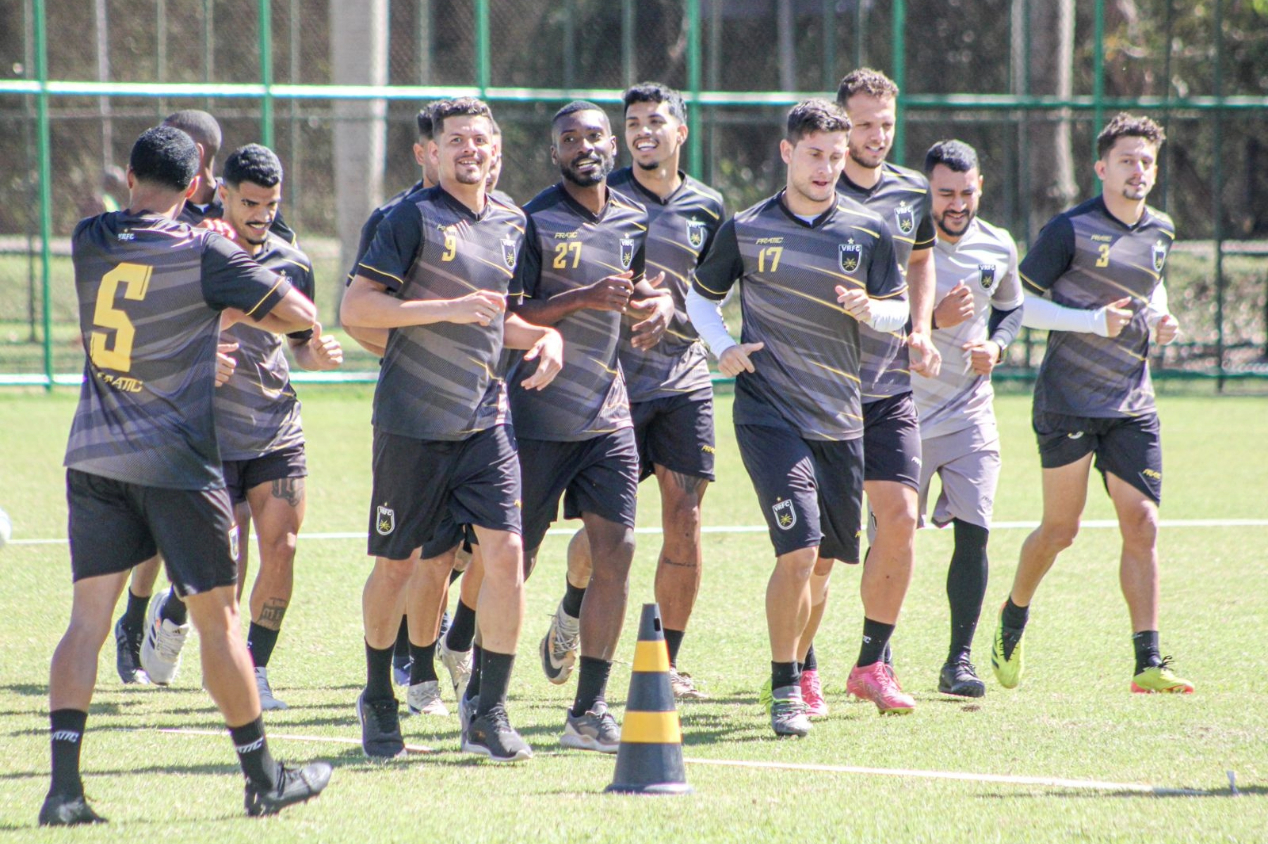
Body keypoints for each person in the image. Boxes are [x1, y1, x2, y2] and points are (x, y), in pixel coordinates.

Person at [43, 125, 330, 825]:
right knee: (218, 623)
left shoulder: (91, 237)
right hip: (177, 462)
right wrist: (226, 307)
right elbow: (300, 312)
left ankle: (63, 791)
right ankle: (264, 777)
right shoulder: (206, 250)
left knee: (85, 622)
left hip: (96, 455)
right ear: (201, 184)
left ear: (130, 175)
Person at [341, 97, 564, 762]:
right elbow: (357, 308)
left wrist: (544, 338)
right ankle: (380, 695)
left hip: (485, 421)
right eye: (458, 140)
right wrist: (446, 311)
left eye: (482, 141)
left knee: (505, 560)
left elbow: (498, 320)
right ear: (431, 153)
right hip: (411, 426)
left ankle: (487, 712)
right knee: (396, 566)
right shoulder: (407, 217)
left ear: (497, 150)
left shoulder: (512, 222)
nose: (472, 150)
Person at [686, 99, 907, 737]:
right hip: (768, 410)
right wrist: (721, 347)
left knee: (826, 562)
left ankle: (801, 669)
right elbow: (701, 298)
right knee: (800, 545)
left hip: (841, 417)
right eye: (815, 154)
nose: (827, 168)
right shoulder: (747, 227)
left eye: (837, 157)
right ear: (788, 153)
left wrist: (873, 311)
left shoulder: (868, 231)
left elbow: (899, 312)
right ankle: (786, 684)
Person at [537, 82, 725, 701]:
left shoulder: (708, 207)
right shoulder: (601, 196)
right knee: (602, 536)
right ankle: (571, 606)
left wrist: (681, 309)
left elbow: (713, 297)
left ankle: (665, 661)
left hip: (684, 380)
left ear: (681, 132)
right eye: (634, 121)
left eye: (656, 120)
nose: (645, 130)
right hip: (611, 387)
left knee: (685, 518)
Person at [992, 113, 1190, 695]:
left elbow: (1150, 281)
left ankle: (1147, 662)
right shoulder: (1068, 230)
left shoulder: (1161, 229)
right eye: (1127, 160)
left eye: (1146, 161)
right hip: (1069, 402)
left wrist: (1161, 315)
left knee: (1143, 523)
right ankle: (1011, 618)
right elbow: (1017, 307)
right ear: (1102, 167)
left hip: (1132, 400)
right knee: (1061, 529)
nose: (1138, 170)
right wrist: (1089, 322)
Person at [140, 144, 343, 709]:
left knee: (284, 547)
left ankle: (254, 666)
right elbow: (155, 327)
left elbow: (301, 342)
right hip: (206, 431)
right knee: (220, 559)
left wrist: (317, 355)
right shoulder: (188, 247)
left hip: (275, 425)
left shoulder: (290, 258)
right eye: (249, 202)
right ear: (221, 192)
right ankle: (174, 610)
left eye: (271, 204)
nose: (260, 214)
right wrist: (201, 354)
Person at [507, 100, 673, 753]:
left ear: (614, 143)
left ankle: (588, 711)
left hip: (607, 412)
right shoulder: (532, 219)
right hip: (537, 413)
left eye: (594, 135)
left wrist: (654, 306)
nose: (584, 146)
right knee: (511, 560)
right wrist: (580, 298)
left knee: (620, 549)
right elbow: (512, 312)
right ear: (555, 152)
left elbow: (636, 289)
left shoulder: (635, 216)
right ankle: (476, 680)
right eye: (570, 138)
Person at [112, 108, 294, 684]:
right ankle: (137, 618)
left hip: (240, 415)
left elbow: (278, 291)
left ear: (204, 163)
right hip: (162, 395)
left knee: (223, 541)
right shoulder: (152, 218)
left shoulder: (242, 215)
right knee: (154, 527)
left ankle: (189, 628)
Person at [784, 68, 941, 717]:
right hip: (821, 394)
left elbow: (922, 260)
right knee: (820, 549)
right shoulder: (813, 185)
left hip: (888, 388)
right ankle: (801, 666)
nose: (876, 135)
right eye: (865, 124)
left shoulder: (909, 193)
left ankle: (874, 662)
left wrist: (922, 328)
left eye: (886, 124)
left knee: (902, 518)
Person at [913, 140, 1023, 697]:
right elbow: (873, 318)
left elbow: (1012, 308)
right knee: (890, 541)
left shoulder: (998, 244)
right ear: (927, 189)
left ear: (980, 186)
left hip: (971, 412)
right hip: (902, 413)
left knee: (976, 534)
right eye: (944, 193)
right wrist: (931, 319)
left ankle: (959, 662)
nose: (956, 203)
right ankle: (875, 656)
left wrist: (997, 348)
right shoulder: (905, 240)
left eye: (966, 192)